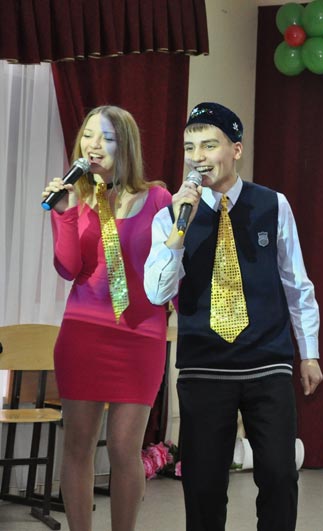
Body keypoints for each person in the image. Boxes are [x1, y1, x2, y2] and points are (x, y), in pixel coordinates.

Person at [143, 102, 323, 531]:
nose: (197, 157)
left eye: (209, 145)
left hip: (268, 363)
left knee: (280, 476)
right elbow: (156, 292)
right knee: (203, 487)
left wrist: (309, 353)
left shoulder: (273, 205)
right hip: (204, 367)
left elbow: (296, 283)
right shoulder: (171, 216)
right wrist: (179, 232)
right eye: (190, 148)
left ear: (236, 149)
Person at [41, 105, 173, 531]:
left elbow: (171, 269)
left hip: (141, 337)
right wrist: (65, 212)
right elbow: (68, 268)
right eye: (88, 136)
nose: (93, 146)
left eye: (107, 138)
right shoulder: (76, 198)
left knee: (122, 448)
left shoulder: (159, 199)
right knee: (77, 447)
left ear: (126, 146)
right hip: (83, 335)